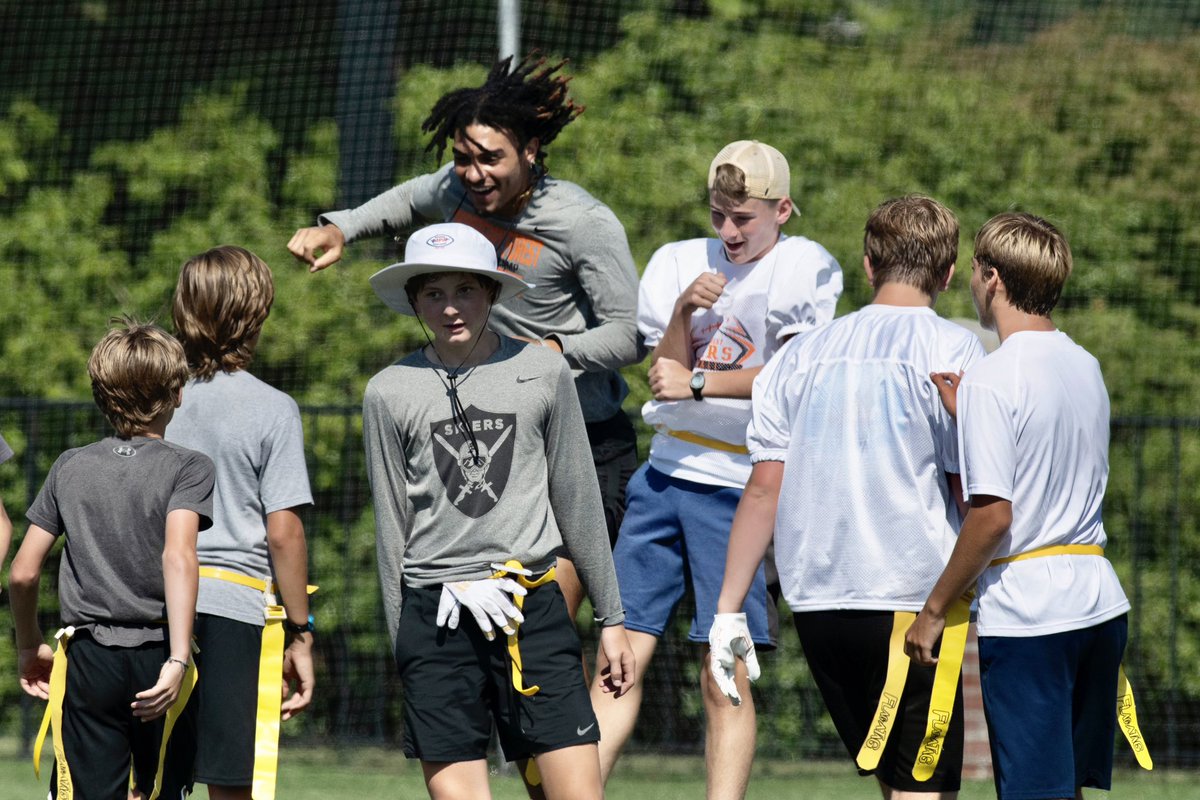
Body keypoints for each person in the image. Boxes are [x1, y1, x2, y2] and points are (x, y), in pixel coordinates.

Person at [288, 54, 642, 621]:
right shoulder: (456, 191)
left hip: (586, 439)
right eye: (463, 158)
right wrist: (341, 228)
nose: (474, 174)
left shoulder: (583, 223)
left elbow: (629, 335)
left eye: (491, 159)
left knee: (542, 619)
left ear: (529, 151)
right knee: (496, 626)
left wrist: (553, 354)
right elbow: (407, 200)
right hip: (504, 436)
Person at [590, 141, 842, 798]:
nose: (728, 232)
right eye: (718, 216)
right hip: (664, 477)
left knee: (720, 668)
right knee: (618, 660)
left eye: (744, 218)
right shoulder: (679, 260)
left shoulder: (804, 266)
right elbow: (664, 376)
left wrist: (702, 381)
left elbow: (793, 378)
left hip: (738, 487)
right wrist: (681, 313)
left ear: (782, 209)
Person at [713, 195, 986, 799]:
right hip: (912, 601)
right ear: (946, 274)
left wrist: (728, 607)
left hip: (819, 604)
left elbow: (764, 487)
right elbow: (970, 486)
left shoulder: (800, 356)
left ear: (868, 265)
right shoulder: (954, 350)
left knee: (895, 781)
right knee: (921, 788)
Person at [362, 221, 634, 800]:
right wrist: (402, 645)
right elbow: (391, 528)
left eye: (466, 290)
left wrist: (612, 619)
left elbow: (580, 499)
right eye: (434, 293)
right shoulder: (388, 389)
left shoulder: (544, 369)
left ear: (491, 292)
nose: (451, 308)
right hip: (435, 618)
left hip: (530, 603)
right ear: (413, 300)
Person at [905, 213, 1137, 799]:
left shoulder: (992, 377)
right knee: (1066, 788)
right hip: (1099, 605)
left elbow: (994, 516)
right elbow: (1045, 456)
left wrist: (933, 609)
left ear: (993, 277)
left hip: (1033, 615)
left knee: (1035, 792)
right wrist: (970, 418)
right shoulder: (1085, 365)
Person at [9, 320, 214, 800]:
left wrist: (28, 645)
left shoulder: (69, 466)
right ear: (177, 393)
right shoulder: (189, 467)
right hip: (158, 655)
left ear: (101, 395)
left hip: (87, 660)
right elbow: (179, 555)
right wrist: (179, 659)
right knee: (161, 789)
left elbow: (22, 572)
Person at [166, 245, 316, 800]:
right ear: (256, 314)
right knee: (233, 786)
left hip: (154, 607)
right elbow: (284, 532)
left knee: (150, 775)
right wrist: (301, 631)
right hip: (235, 611)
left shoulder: (155, 400)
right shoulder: (273, 408)